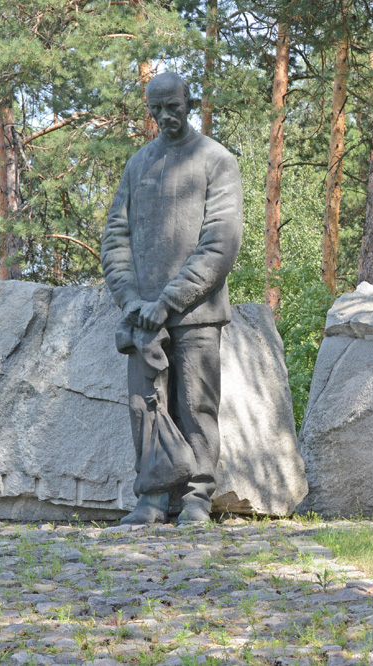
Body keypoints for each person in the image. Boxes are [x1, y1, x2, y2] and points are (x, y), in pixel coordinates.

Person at [101, 72, 243, 524]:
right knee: (145, 406)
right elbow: (115, 238)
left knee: (196, 405)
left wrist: (169, 300)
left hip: (196, 315)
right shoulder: (137, 164)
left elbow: (221, 242)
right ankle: (154, 497)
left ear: (190, 102)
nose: (165, 117)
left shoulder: (216, 160)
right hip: (143, 317)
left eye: (173, 107)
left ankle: (198, 496)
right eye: (156, 109)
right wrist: (131, 302)